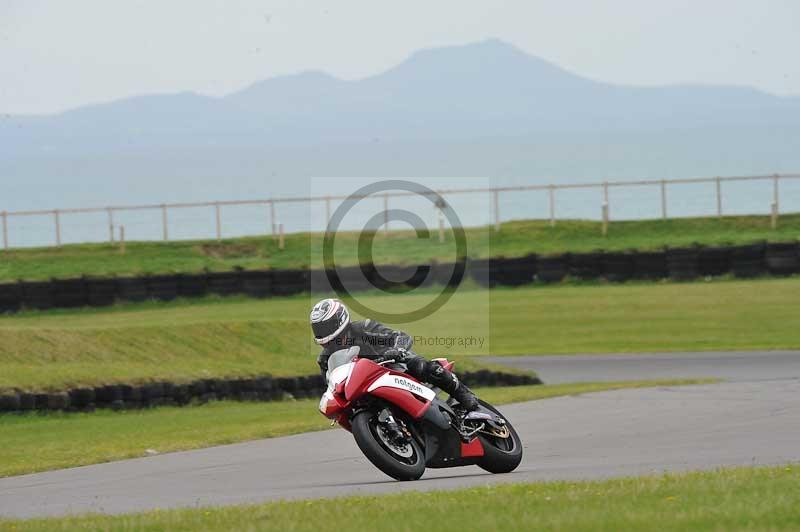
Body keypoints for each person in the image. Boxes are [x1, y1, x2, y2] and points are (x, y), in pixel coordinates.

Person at [310, 298, 479, 411]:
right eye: (318, 329)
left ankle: (463, 393)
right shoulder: (324, 359)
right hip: (364, 389)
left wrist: (397, 350)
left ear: (340, 320)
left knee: (419, 365)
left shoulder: (363, 328)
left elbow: (400, 337)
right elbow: (331, 386)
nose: (322, 333)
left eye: (325, 327)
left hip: (394, 367)